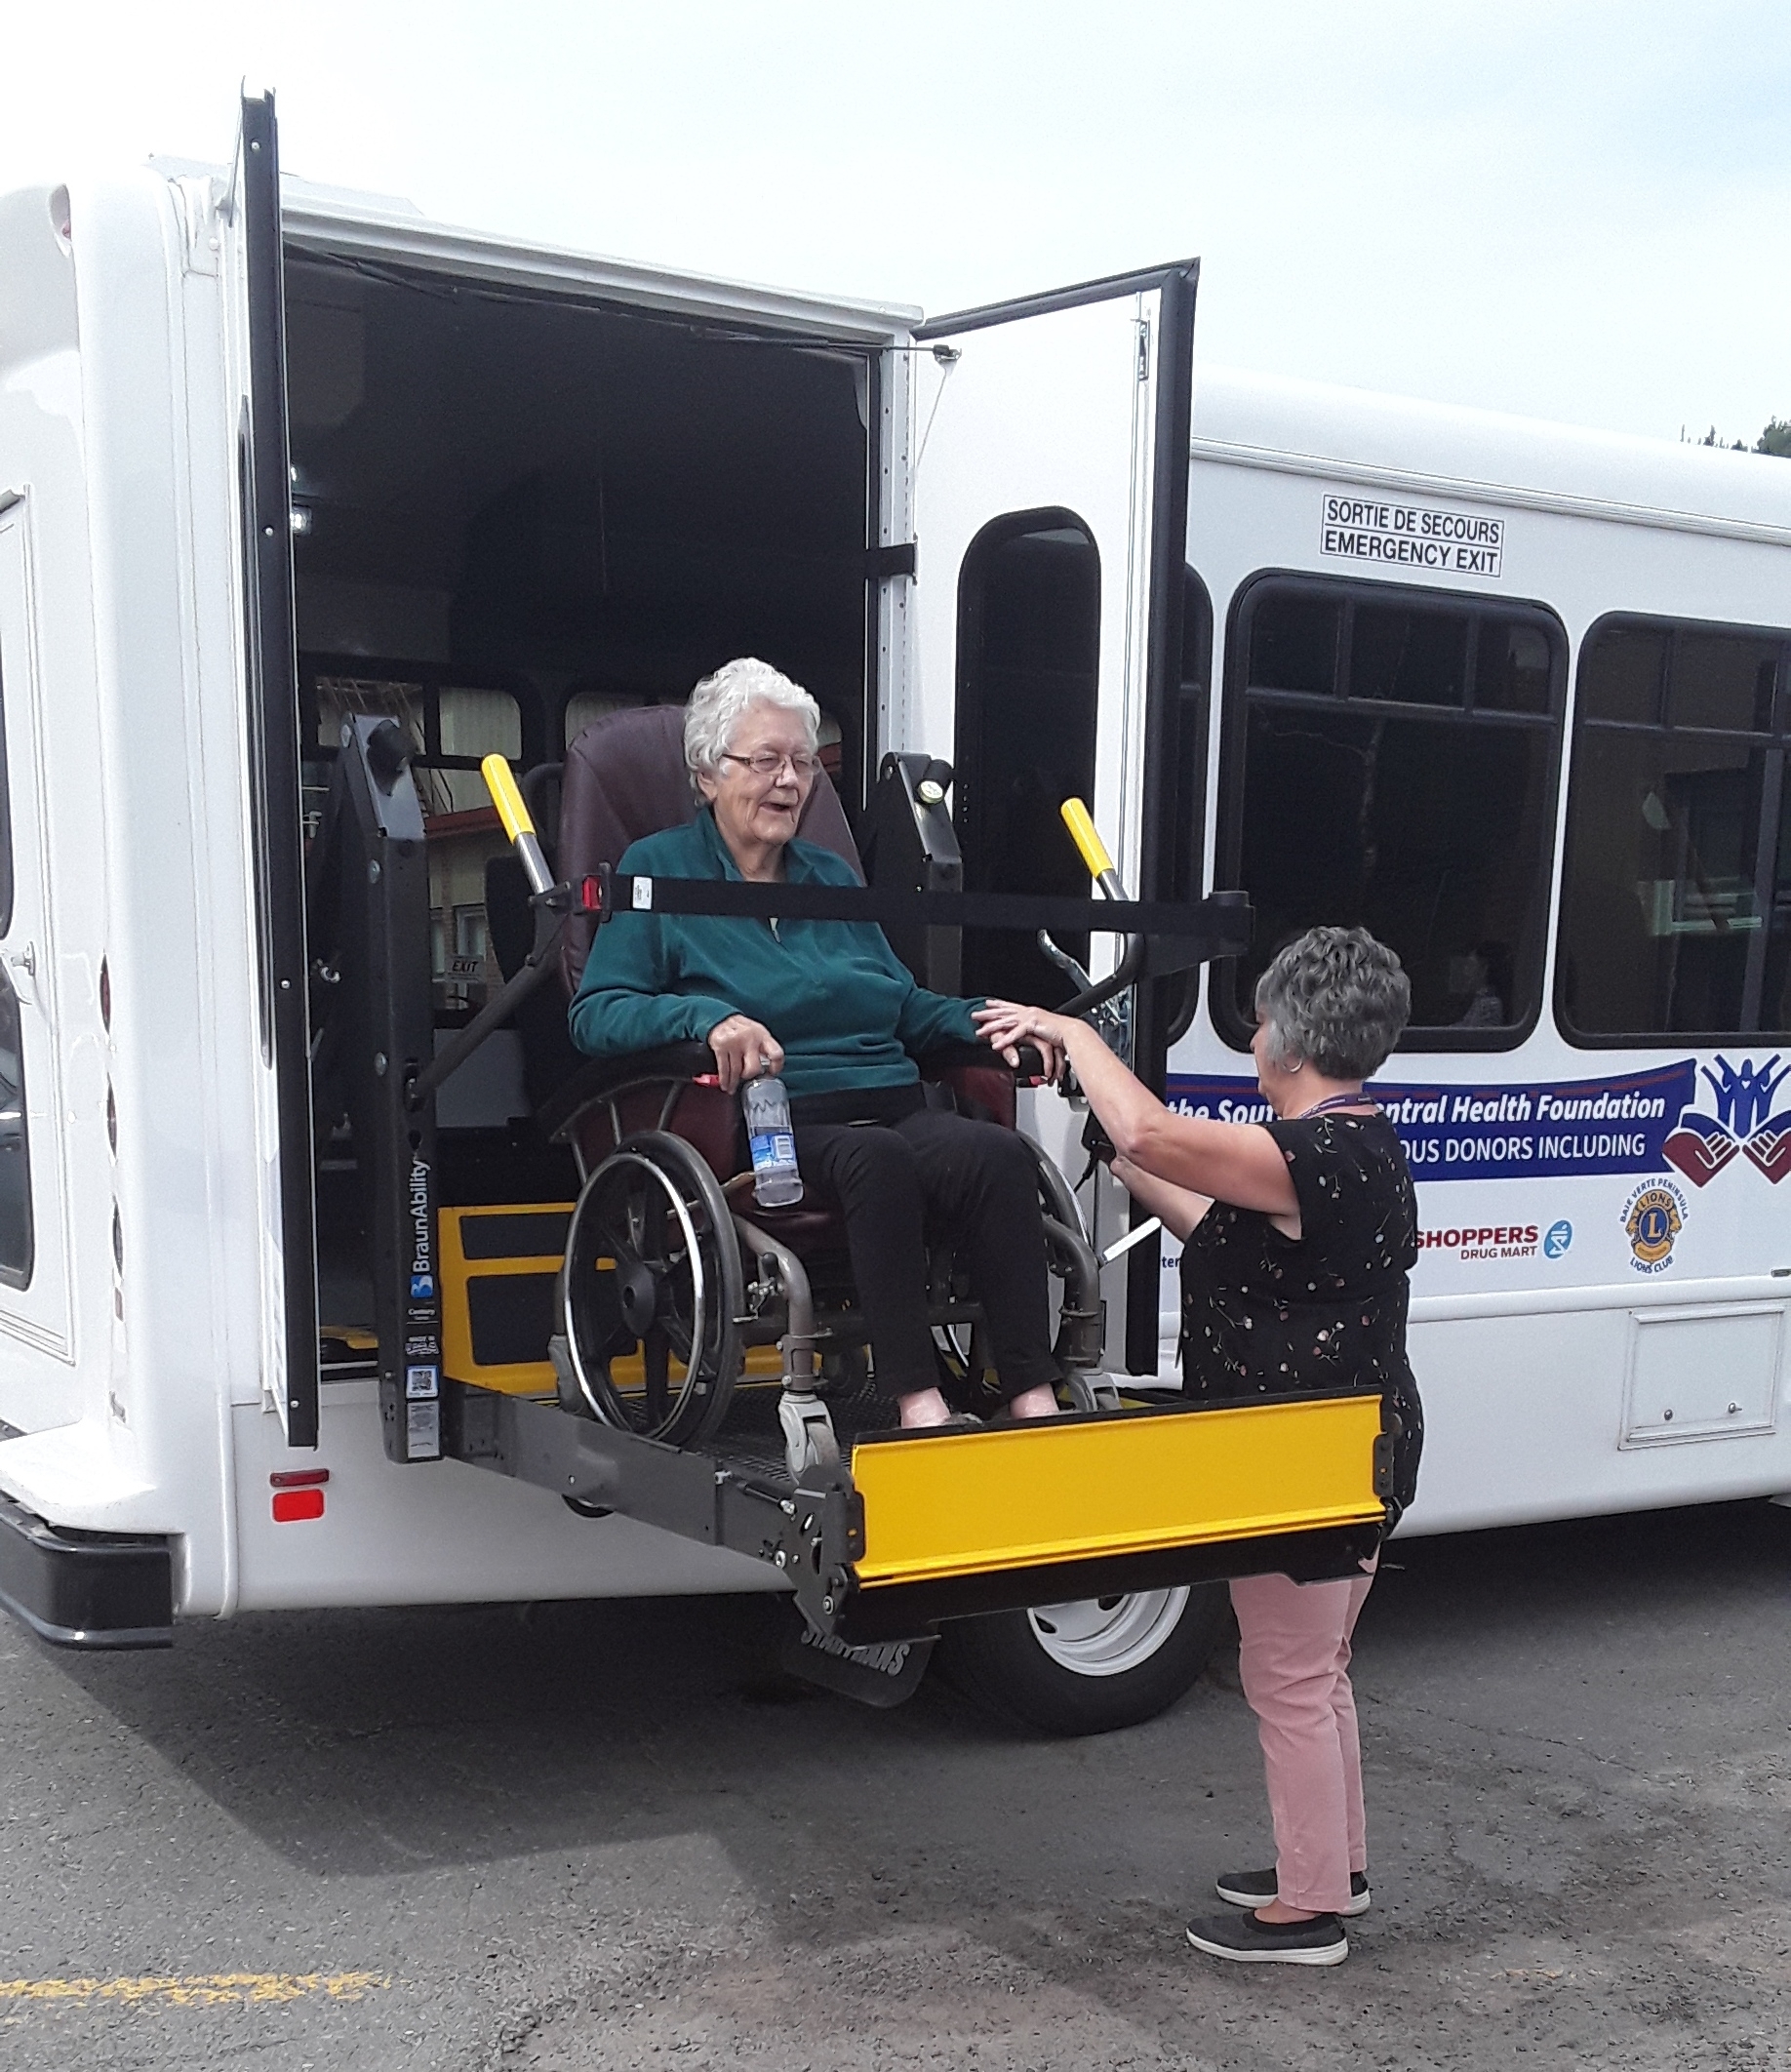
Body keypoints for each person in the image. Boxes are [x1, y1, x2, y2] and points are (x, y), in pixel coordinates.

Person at [975, 927, 1422, 1968]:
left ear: (1292, 1041)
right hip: (1351, 1447)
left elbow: (1164, 1136)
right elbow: (1200, 1214)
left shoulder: (1319, 1151)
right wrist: (1112, 1142)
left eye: (1261, 1020)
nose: (1257, 1037)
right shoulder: (1355, 1148)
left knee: (1292, 1677)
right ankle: (1334, 1868)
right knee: (1320, 1667)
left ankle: (1308, 1911)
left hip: (1301, 1460)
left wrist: (1075, 1037)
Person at [569, 657, 1065, 1430]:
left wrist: (996, 1021)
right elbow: (597, 1013)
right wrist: (703, 1020)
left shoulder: (829, 876)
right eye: (764, 761)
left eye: (802, 763)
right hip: (770, 1120)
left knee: (997, 1156)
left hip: (889, 1100)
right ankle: (918, 1402)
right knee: (879, 1161)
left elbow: (900, 1003)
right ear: (707, 773)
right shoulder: (656, 871)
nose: (789, 781)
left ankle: (1034, 1398)